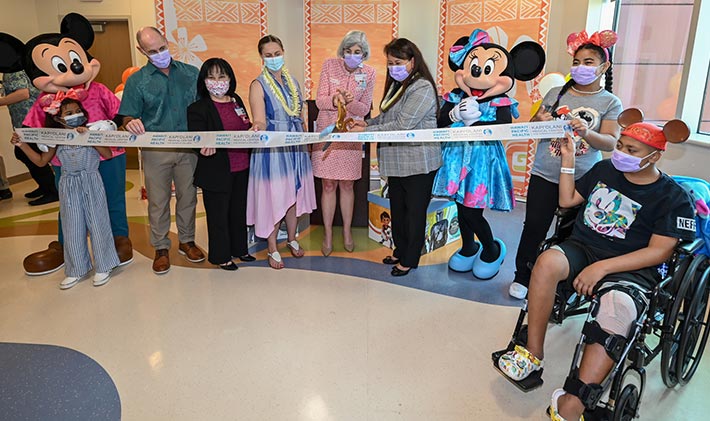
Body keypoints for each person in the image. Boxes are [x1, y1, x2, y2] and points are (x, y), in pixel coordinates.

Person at [497, 113, 695, 421]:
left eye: (632, 150)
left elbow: (659, 252)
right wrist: (569, 158)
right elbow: (566, 200)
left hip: (630, 268)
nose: (622, 154)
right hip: (583, 248)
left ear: (655, 156)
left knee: (617, 309)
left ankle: (575, 402)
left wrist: (602, 269)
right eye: (621, 145)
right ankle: (531, 354)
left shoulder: (672, 197)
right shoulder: (605, 169)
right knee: (547, 261)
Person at [509, 30, 622, 299]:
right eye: (577, 62)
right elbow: (531, 128)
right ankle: (523, 276)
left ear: (603, 67)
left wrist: (586, 132)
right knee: (534, 226)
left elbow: (609, 143)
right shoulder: (557, 93)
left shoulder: (610, 102)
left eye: (588, 62)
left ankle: (562, 282)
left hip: (583, 179)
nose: (580, 68)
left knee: (572, 233)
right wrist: (540, 122)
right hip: (546, 173)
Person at [433, 29, 546, 280]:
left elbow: (502, 128)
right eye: (473, 67)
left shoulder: (499, 102)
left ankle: (492, 249)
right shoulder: (455, 96)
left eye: (488, 70)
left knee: (473, 209)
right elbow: (439, 122)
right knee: (461, 207)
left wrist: (476, 122)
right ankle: (468, 246)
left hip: (482, 162)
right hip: (455, 158)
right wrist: (453, 115)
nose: (478, 76)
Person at [349, 38, 441, 277]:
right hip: (396, 162)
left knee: (414, 213)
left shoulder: (422, 87)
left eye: (398, 62)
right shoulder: (398, 85)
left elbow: (402, 124)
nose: (393, 67)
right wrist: (366, 122)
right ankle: (400, 250)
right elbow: (386, 117)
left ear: (412, 61)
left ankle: (410, 258)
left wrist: (365, 132)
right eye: (390, 63)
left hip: (418, 162)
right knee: (398, 211)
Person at [120, 26, 205, 275]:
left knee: (189, 196)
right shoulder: (137, 81)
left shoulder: (191, 74)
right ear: (141, 51)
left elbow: (204, 108)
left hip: (189, 147)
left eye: (162, 48)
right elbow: (127, 115)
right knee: (158, 200)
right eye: (152, 51)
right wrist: (129, 122)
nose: (159, 53)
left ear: (167, 42)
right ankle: (160, 247)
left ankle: (187, 241)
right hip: (156, 150)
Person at [12, 98, 120, 289]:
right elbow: (40, 161)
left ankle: (104, 265)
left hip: (91, 180)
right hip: (68, 184)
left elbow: (108, 154)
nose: (74, 115)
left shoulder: (92, 131)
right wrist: (22, 144)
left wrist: (88, 137)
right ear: (59, 119)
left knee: (98, 222)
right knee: (72, 225)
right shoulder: (56, 139)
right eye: (68, 113)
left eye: (78, 111)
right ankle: (77, 268)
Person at [247, 34, 317, 270]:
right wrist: (257, 128)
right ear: (262, 57)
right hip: (273, 149)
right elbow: (259, 119)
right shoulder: (258, 85)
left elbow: (300, 115)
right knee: (275, 195)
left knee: (294, 194)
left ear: (283, 52)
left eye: (277, 54)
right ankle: (272, 246)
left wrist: (307, 141)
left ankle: (292, 238)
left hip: (296, 146)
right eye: (268, 55)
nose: (274, 58)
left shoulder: (292, 82)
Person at [312, 30, 376, 256]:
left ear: (364, 54)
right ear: (342, 52)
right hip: (327, 132)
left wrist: (349, 103)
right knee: (328, 184)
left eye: (357, 52)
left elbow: (365, 109)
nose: (351, 55)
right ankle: (328, 235)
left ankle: (347, 232)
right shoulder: (329, 66)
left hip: (350, 133)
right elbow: (320, 101)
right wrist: (335, 100)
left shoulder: (369, 73)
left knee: (347, 185)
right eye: (348, 51)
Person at [188, 58, 255, 270]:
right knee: (218, 215)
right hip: (216, 171)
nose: (217, 81)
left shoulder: (236, 100)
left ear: (230, 79)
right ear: (204, 81)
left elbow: (245, 125)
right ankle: (221, 256)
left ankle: (240, 249)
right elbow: (195, 138)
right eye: (211, 77)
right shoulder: (198, 108)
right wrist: (202, 147)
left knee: (238, 211)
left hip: (242, 166)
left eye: (222, 76)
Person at [0, 69, 57, 205]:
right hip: (27, 120)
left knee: (27, 153)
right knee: (24, 153)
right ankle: (45, 187)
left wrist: (1, 101)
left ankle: (52, 190)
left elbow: (23, 93)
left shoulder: (13, 71)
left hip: (31, 120)